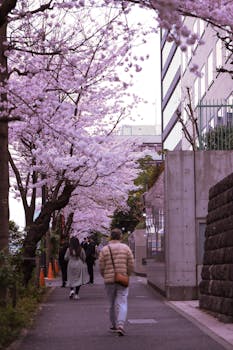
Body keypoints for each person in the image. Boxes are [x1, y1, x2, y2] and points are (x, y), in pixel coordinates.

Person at [98, 228, 134, 336]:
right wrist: (127, 274)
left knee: (111, 303)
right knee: (122, 301)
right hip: (122, 278)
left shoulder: (105, 249)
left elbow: (101, 266)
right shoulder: (126, 248)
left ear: (110, 237)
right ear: (120, 237)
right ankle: (121, 325)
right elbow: (131, 264)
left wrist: (105, 275)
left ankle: (114, 325)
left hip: (109, 280)